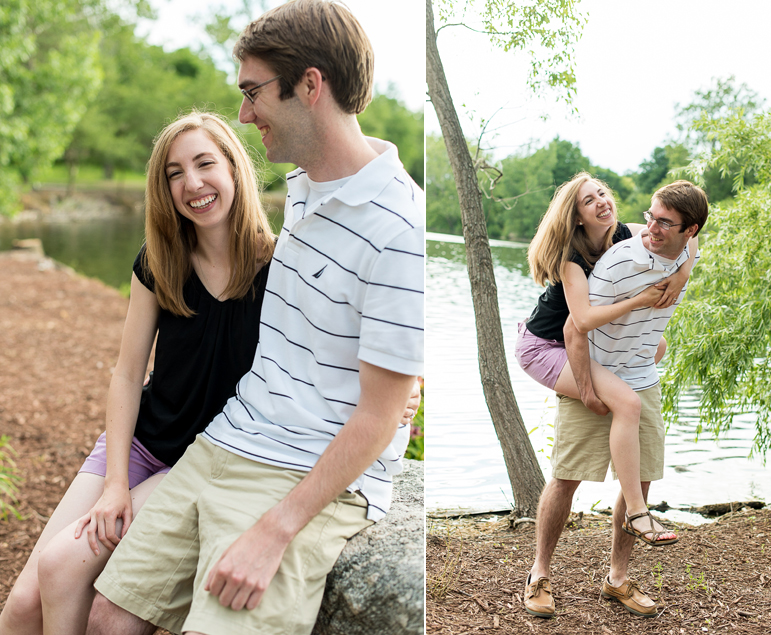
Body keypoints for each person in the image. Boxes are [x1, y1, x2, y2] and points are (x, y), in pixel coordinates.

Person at [0, 110, 420, 635]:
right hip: (142, 442)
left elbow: (347, 344)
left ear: (234, 169)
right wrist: (114, 486)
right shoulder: (159, 262)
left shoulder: (280, 265)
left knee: (67, 568)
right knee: (21, 605)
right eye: (174, 173)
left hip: (212, 450)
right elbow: (128, 375)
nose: (191, 183)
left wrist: (404, 393)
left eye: (205, 164)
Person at [86, 2, 424, 635]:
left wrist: (275, 530)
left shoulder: (398, 229)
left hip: (305, 472)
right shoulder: (304, 189)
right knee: (108, 616)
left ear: (310, 85)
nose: (243, 115)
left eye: (252, 93)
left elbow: (380, 415)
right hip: (227, 439)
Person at [523, 179, 709, 619]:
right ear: (576, 215)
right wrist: (586, 387)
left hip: (619, 361)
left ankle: (618, 580)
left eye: (603, 193)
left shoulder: (632, 233)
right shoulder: (571, 257)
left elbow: (690, 247)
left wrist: (680, 278)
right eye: (589, 200)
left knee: (638, 474)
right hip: (555, 348)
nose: (601, 203)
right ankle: (539, 574)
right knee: (568, 474)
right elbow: (578, 324)